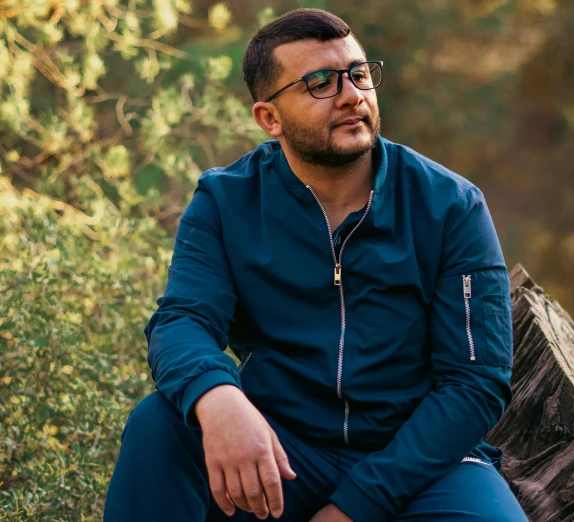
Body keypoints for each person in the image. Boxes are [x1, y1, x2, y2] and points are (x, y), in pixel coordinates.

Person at [103, 8, 527, 522]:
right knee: (160, 424)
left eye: (359, 74)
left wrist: (355, 505)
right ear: (269, 118)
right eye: (320, 83)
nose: (352, 95)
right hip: (283, 450)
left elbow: (474, 384)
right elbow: (182, 320)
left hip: (421, 464)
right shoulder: (225, 200)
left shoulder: (450, 206)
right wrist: (218, 397)